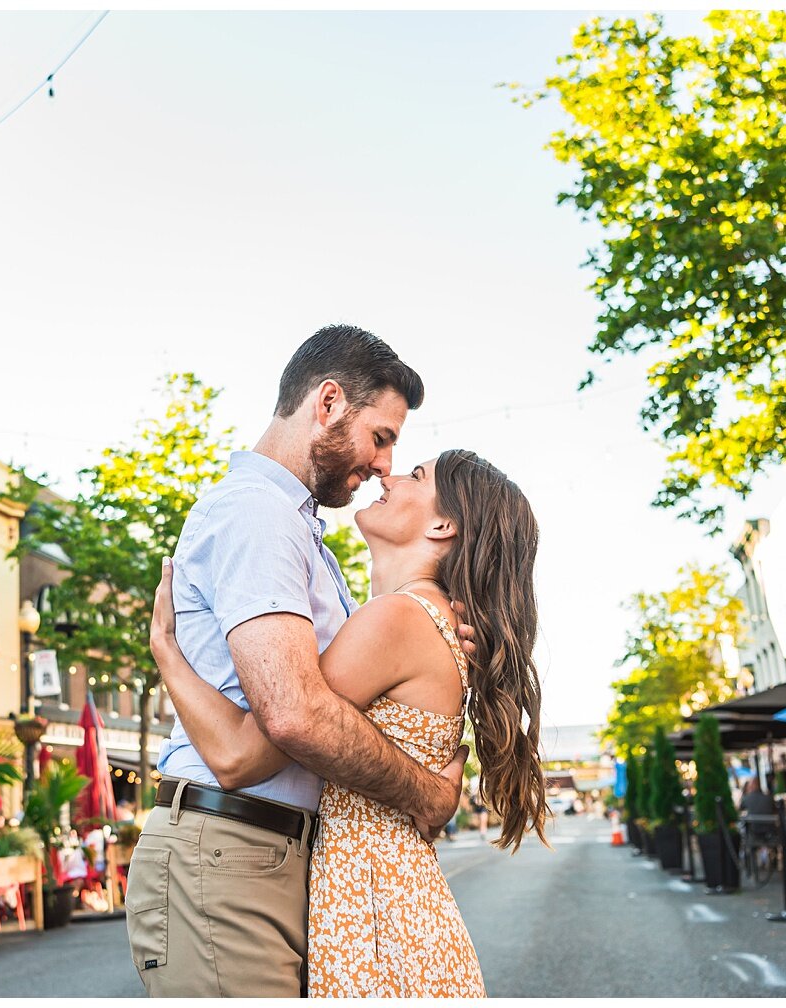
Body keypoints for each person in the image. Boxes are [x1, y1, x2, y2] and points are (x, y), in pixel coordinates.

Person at [125, 327, 473, 998]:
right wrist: (427, 792)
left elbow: (352, 682)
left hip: (264, 853)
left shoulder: (301, 531)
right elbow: (292, 716)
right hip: (225, 850)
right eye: (381, 437)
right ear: (329, 402)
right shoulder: (259, 515)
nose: (384, 464)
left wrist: (439, 629)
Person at [152, 447, 548, 996]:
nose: (388, 472)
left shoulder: (395, 619)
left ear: (442, 524)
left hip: (373, 900)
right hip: (392, 896)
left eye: (416, 475)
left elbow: (241, 756)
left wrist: (168, 653)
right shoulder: (425, 618)